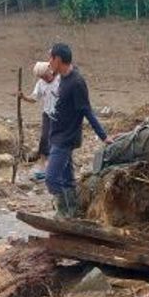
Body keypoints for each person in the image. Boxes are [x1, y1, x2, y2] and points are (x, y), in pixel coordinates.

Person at [45, 42, 110, 217]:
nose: (48, 62)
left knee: (51, 178)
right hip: (57, 136)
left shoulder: (77, 82)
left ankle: (64, 212)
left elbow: (86, 111)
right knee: (66, 179)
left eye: (50, 58)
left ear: (58, 59)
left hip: (65, 139)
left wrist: (103, 136)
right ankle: (73, 212)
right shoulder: (64, 78)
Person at [18, 61, 60, 181]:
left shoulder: (60, 80)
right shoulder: (41, 84)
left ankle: (54, 166)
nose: (45, 79)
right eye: (42, 77)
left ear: (49, 71)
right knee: (44, 138)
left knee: (57, 139)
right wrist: (24, 97)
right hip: (47, 114)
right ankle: (43, 164)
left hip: (60, 115)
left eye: (45, 76)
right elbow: (34, 98)